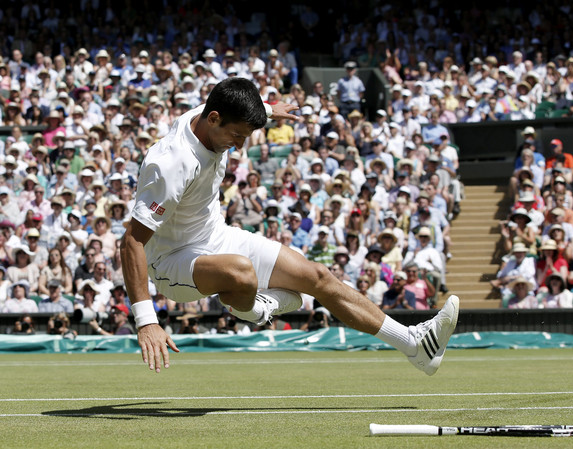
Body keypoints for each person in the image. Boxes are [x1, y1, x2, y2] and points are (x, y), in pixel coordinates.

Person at [121, 78, 459, 375]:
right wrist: (147, 320)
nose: (239, 146)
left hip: (217, 235)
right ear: (213, 119)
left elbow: (245, 111)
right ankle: (256, 311)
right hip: (172, 262)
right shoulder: (169, 163)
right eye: (236, 136)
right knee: (241, 273)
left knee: (318, 277)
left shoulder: (219, 112)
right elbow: (132, 242)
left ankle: (415, 344)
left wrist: (268, 110)